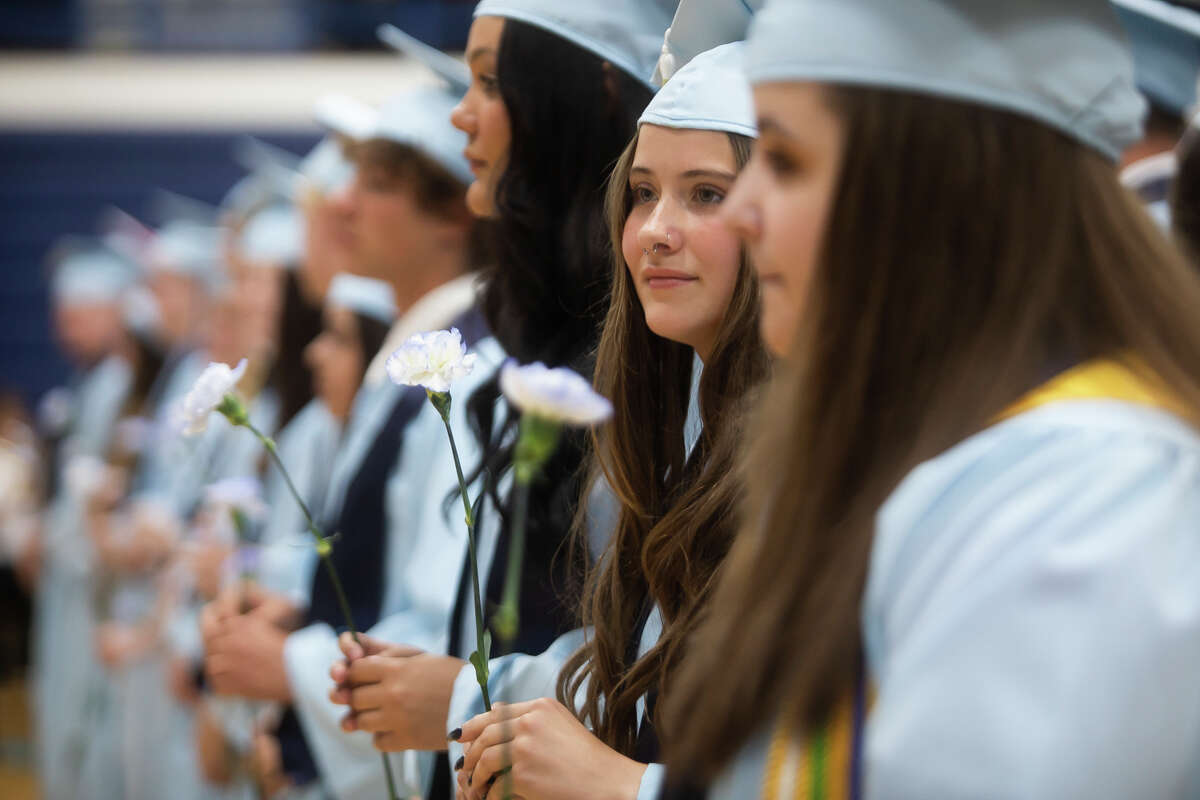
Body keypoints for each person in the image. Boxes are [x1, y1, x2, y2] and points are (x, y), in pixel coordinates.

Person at [653, 2, 1200, 798]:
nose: (742, 210)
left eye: (789, 161)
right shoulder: (931, 460)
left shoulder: (1083, 504)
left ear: (931, 196)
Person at [325, 2, 671, 796]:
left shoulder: (643, 360)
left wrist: (462, 696)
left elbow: (652, 653)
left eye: (490, 80)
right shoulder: (528, 336)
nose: (461, 113)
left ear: (574, 100)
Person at [444, 43, 769, 800]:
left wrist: (621, 787)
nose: (655, 228)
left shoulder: (832, 472)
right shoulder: (676, 442)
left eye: (707, 195)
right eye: (643, 192)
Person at [201, 85, 488, 800]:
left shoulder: (464, 374)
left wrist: (292, 666)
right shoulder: (405, 362)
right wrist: (298, 602)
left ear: (456, 211)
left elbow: (442, 615)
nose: (343, 204)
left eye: (378, 184)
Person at [32, 239, 136, 800]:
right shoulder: (90, 383)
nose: (62, 330)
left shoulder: (122, 385)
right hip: (68, 579)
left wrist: (48, 540)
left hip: (93, 586)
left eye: (78, 316)